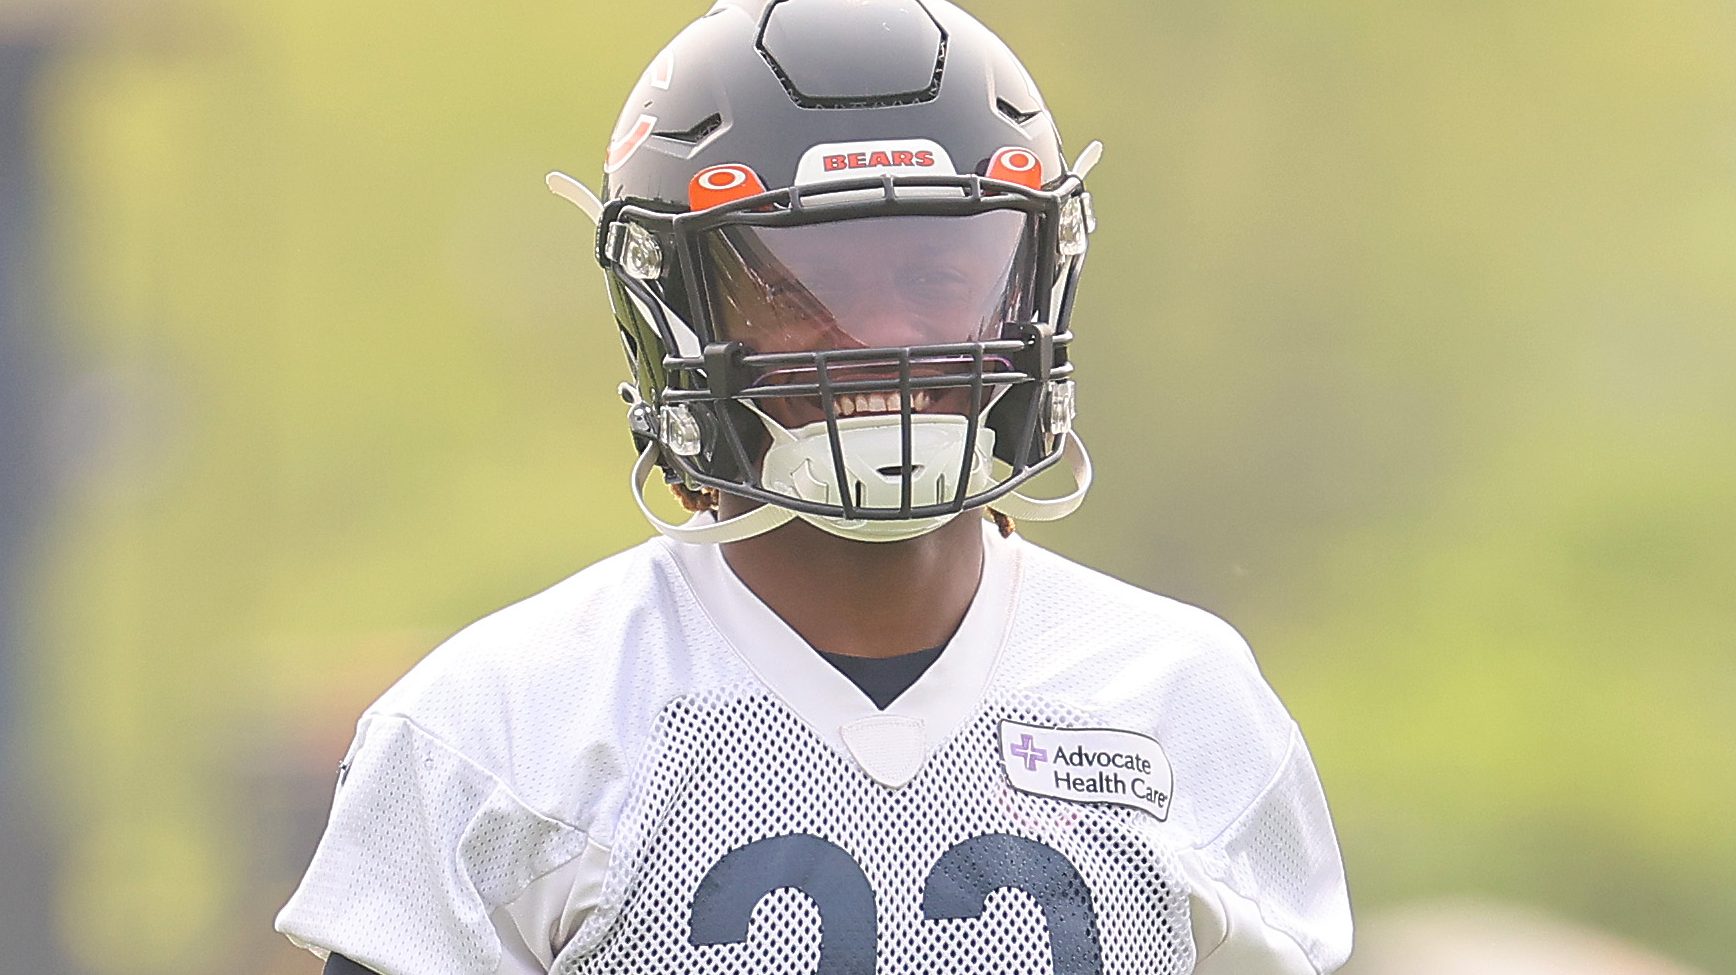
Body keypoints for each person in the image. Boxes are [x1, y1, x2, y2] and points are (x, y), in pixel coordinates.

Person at [276, 1, 1354, 973]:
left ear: (1033, 284)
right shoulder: (500, 731)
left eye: (936, 278)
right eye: (800, 288)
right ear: (672, 310)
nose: (883, 338)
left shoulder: (1185, 700)